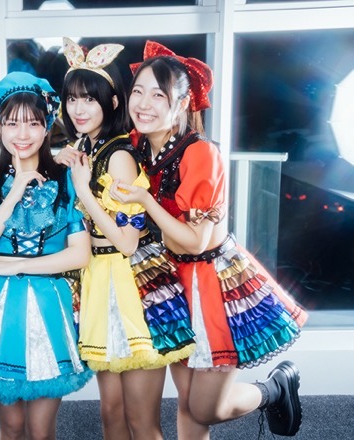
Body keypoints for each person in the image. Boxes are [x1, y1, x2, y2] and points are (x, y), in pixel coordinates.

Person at [112, 40, 309, 438]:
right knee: (188, 404)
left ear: (183, 103)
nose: (144, 104)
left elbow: (195, 242)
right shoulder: (139, 146)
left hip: (210, 282)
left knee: (206, 407)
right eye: (138, 92)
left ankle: (273, 389)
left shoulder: (201, 154)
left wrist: (145, 201)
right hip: (170, 281)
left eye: (158, 95)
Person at [55, 37, 196, 439]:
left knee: (140, 420)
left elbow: (127, 242)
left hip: (130, 281)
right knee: (111, 413)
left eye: (90, 99)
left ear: (112, 102)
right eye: (72, 99)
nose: (79, 109)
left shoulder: (118, 155)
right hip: (100, 277)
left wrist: (83, 191)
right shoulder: (85, 148)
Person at [0, 71, 93, 440]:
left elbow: (79, 255)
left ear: (47, 127)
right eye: (12, 123)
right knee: (11, 428)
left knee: (42, 431)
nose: (22, 133)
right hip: (0, 311)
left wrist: (9, 266)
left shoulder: (65, 179)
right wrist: (13, 193)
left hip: (51, 306)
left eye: (33, 123)